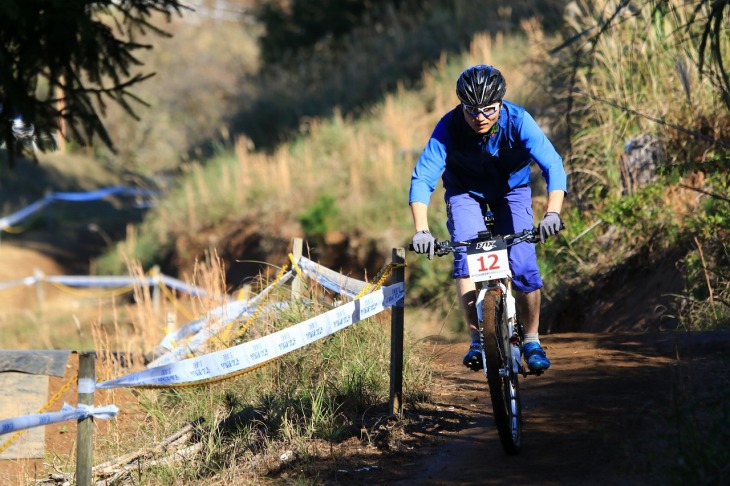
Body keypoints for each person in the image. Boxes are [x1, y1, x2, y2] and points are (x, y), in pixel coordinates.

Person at [409, 64, 567, 372]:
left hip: (512, 191)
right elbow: (422, 179)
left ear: (501, 103)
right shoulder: (449, 127)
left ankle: (532, 339)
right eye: (471, 110)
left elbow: (553, 166)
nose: (479, 117)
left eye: (489, 110)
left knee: (523, 264)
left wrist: (552, 213)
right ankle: (478, 339)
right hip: (465, 192)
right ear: (461, 105)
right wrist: (421, 231)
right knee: (466, 259)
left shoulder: (519, 120)